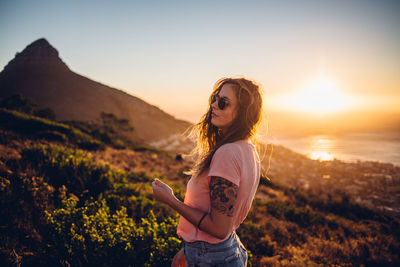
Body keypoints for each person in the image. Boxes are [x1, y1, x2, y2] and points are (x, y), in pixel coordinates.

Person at [152, 77, 264, 266]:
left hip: (212, 257)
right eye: (215, 98)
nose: (213, 105)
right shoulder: (247, 148)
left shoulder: (227, 153)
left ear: (243, 113)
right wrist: (188, 248)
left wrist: (170, 200)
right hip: (222, 250)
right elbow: (222, 220)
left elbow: (219, 228)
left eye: (223, 103)